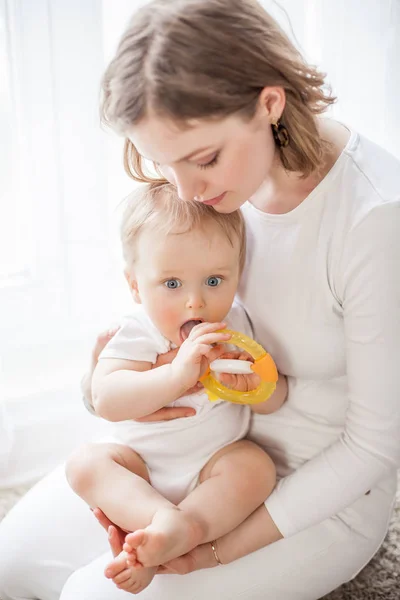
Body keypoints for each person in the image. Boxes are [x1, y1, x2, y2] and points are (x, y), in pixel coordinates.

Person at [0, 0, 399, 598]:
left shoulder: (373, 220)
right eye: (164, 163)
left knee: (89, 593)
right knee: (12, 566)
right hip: (180, 450)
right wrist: (106, 384)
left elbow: (374, 448)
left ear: (270, 103)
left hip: (306, 487)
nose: (185, 190)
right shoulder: (205, 175)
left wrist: (210, 551)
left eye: (203, 160)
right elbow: (141, 320)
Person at [65, 182, 281, 594]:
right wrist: (177, 376)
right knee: (84, 464)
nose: (195, 303)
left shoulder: (235, 325)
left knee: (256, 467)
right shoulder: (136, 330)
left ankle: (181, 532)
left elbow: (273, 401)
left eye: (215, 281)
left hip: (212, 462)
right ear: (135, 286)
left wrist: (257, 386)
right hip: (141, 468)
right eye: (171, 284)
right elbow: (106, 398)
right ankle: (159, 523)